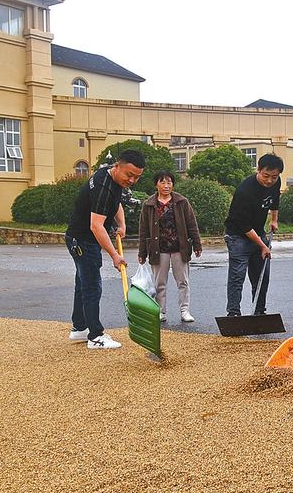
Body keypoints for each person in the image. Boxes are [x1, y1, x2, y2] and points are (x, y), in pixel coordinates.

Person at [65, 149, 145, 349]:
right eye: (129, 175)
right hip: (83, 240)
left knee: (82, 283)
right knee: (92, 286)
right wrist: (115, 256)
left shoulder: (111, 177)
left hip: (80, 238)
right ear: (117, 166)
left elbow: (116, 203)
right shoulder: (103, 187)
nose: (132, 180)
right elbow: (96, 226)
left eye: (137, 177)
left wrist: (122, 224)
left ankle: (79, 329)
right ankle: (95, 336)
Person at [137, 171, 202, 323]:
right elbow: (144, 230)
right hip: (159, 249)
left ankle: (185, 310)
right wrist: (142, 252)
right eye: (162, 182)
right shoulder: (149, 204)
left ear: (173, 184)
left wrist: (197, 243)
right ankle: (160, 311)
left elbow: (191, 224)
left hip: (180, 247)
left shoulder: (181, 202)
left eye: (169, 183)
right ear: (156, 184)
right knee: (160, 283)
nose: (166, 186)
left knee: (183, 281)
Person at [224, 153, 282, 317]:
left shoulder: (275, 183)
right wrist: (263, 246)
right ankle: (233, 313)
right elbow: (244, 225)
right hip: (237, 235)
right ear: (258, 170)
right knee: (237, 276)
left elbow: (275, 200)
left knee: (262, 276)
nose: (270, 180)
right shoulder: (245, 190)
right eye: (266, 176)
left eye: (274, 177)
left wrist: (274, 219)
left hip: (258, 233)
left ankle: (259, 312)